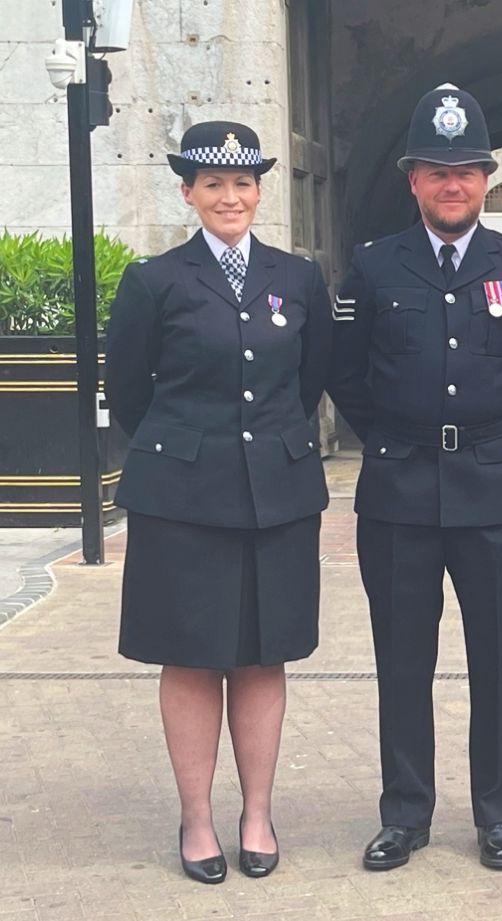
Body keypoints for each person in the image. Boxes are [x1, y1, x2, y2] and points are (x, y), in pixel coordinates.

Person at [327, 84, 502, 872]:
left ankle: (497, 815)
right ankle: (405, 813)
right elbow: (344, 369)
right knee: (403, 661)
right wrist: (393, 436)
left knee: (498, 662)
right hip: (399, 490)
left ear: (486, 177)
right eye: (437, 170)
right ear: (413, 180)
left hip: (496, 491)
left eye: (466, 169)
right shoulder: (373, 266)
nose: (453, 183)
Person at [106, 121, 332, 884]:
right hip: (182, 498)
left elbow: (309, 380)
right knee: (192, 655)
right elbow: (131, 392)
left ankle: (257, 813)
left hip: (278, 494)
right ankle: (197, 817)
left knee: (264, 654)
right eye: (213, 184)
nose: (229, 196)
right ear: (188, 193)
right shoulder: (154, 281)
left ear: (260, 191)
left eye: (242, 183)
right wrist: (191, 449)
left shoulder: (296, 278)